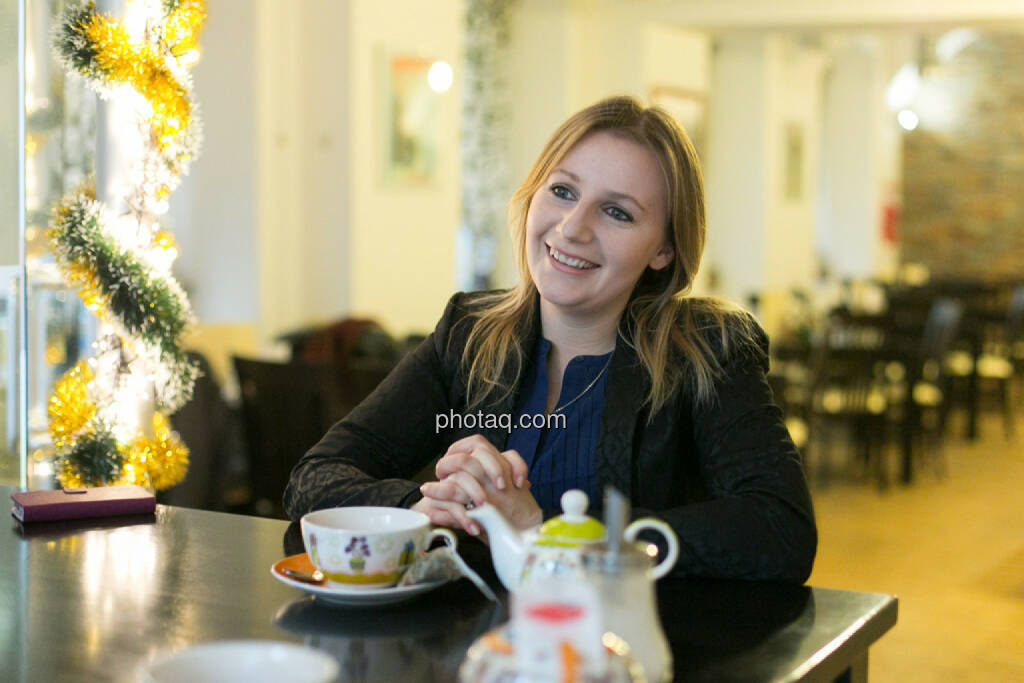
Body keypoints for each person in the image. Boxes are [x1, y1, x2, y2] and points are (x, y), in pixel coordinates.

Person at [283, 96, 817, 582]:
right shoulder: (468, 332)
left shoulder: (707, 350)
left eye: (617, 212)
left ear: (664, 250)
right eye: (562, 191)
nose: (572, 228)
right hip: (473, 642)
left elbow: (781, 532)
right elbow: (314, 476)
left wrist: (543, 531)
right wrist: (416, 510)